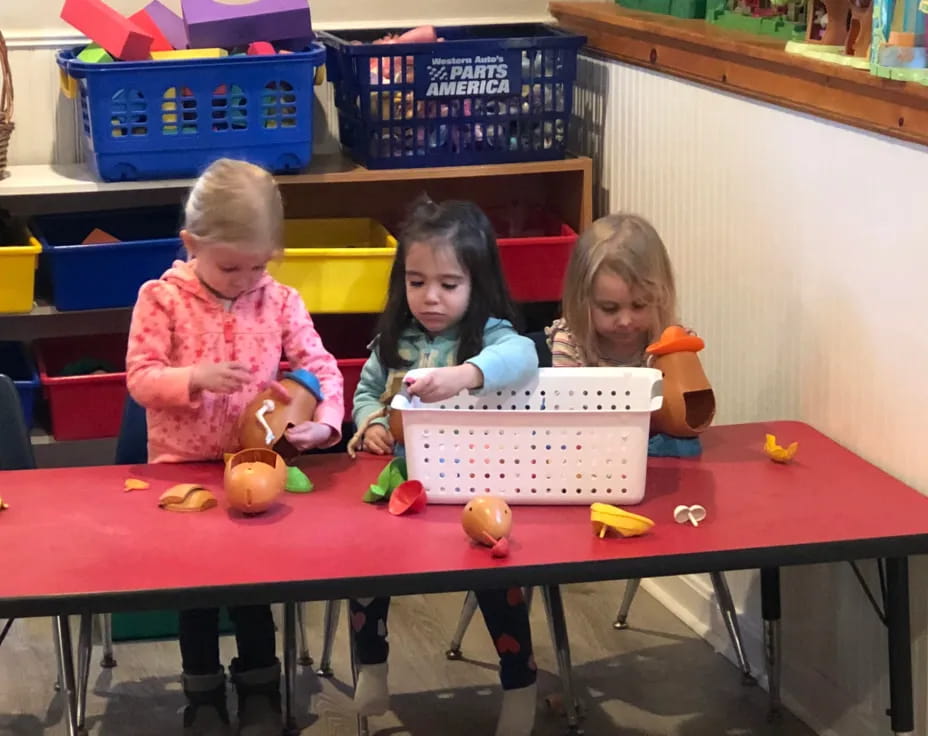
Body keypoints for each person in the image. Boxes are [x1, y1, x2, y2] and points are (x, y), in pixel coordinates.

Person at [126, 158, 344, 736]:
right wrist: (192, 378)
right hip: (183, 471)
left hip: (257, 469)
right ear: (191, 243)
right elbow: (140, 378)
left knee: (253, 590)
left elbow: (320, 366)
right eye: (231, 266)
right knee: (195, 594)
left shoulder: (280, 300)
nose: (246, 280)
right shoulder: (161, 300)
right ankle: (200, 692)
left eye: (259, 265)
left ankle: (260, 688)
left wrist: (326, 422)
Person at [349, 198, 539, 736]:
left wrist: (465, 375)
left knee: (500, 589)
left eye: (449, 284)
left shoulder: (491, 335)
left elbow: (524, 356)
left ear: (476, 284)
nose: (430, 297)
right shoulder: (393, 342)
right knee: (363, 572)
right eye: (416, 282)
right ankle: (374, 666)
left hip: (476, 489)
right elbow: (365, 394)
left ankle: (520, 687)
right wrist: (370, 424)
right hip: (405, 485)